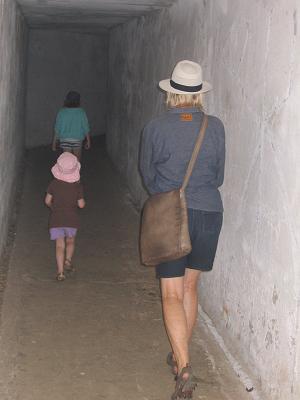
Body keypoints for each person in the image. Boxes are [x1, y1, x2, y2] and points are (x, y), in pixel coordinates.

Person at [139, 60, 225, 399]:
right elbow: (218, 176)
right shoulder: (215, 127)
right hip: (208, 213)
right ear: (199, 94)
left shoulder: (156, 127)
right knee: (190, 286)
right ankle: (179, 357)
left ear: (170, 93)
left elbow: (147, 176)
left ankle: (184, 366)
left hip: (172, 215)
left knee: (171, 293)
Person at [45, 152, 85, 281]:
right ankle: (68, 260)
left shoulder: (53, 184)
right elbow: (81, 205)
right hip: (71, 219)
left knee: (59, 246)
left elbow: (47, 201)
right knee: (70, 241)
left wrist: (53, 208)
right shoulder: (77, 187)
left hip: (56, 219)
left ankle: (60, 272)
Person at [52, 90, 91, 160]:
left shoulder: (61, 112)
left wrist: (54, 143)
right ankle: (76, 171)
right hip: (77, 140)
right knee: (77, 162)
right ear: (78, 101)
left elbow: (57, 128)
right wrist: (88, 140)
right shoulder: (81, 112)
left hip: (65, 140)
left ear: (67, 100)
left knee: (67, 162)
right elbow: (86, 127)